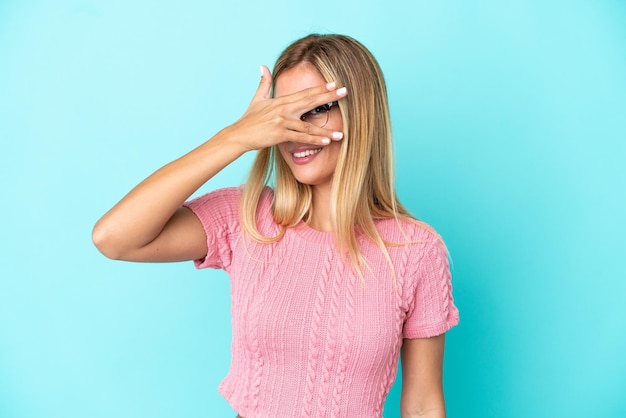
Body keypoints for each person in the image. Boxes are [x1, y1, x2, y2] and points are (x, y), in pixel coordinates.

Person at [93, 33, 459, 418]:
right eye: (282, 113)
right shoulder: (246, 218)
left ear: (360, 113)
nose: (294, 130)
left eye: (315, 108)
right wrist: (235, 137)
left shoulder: (415, 251)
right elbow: (114, 238)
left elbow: (422, 405)